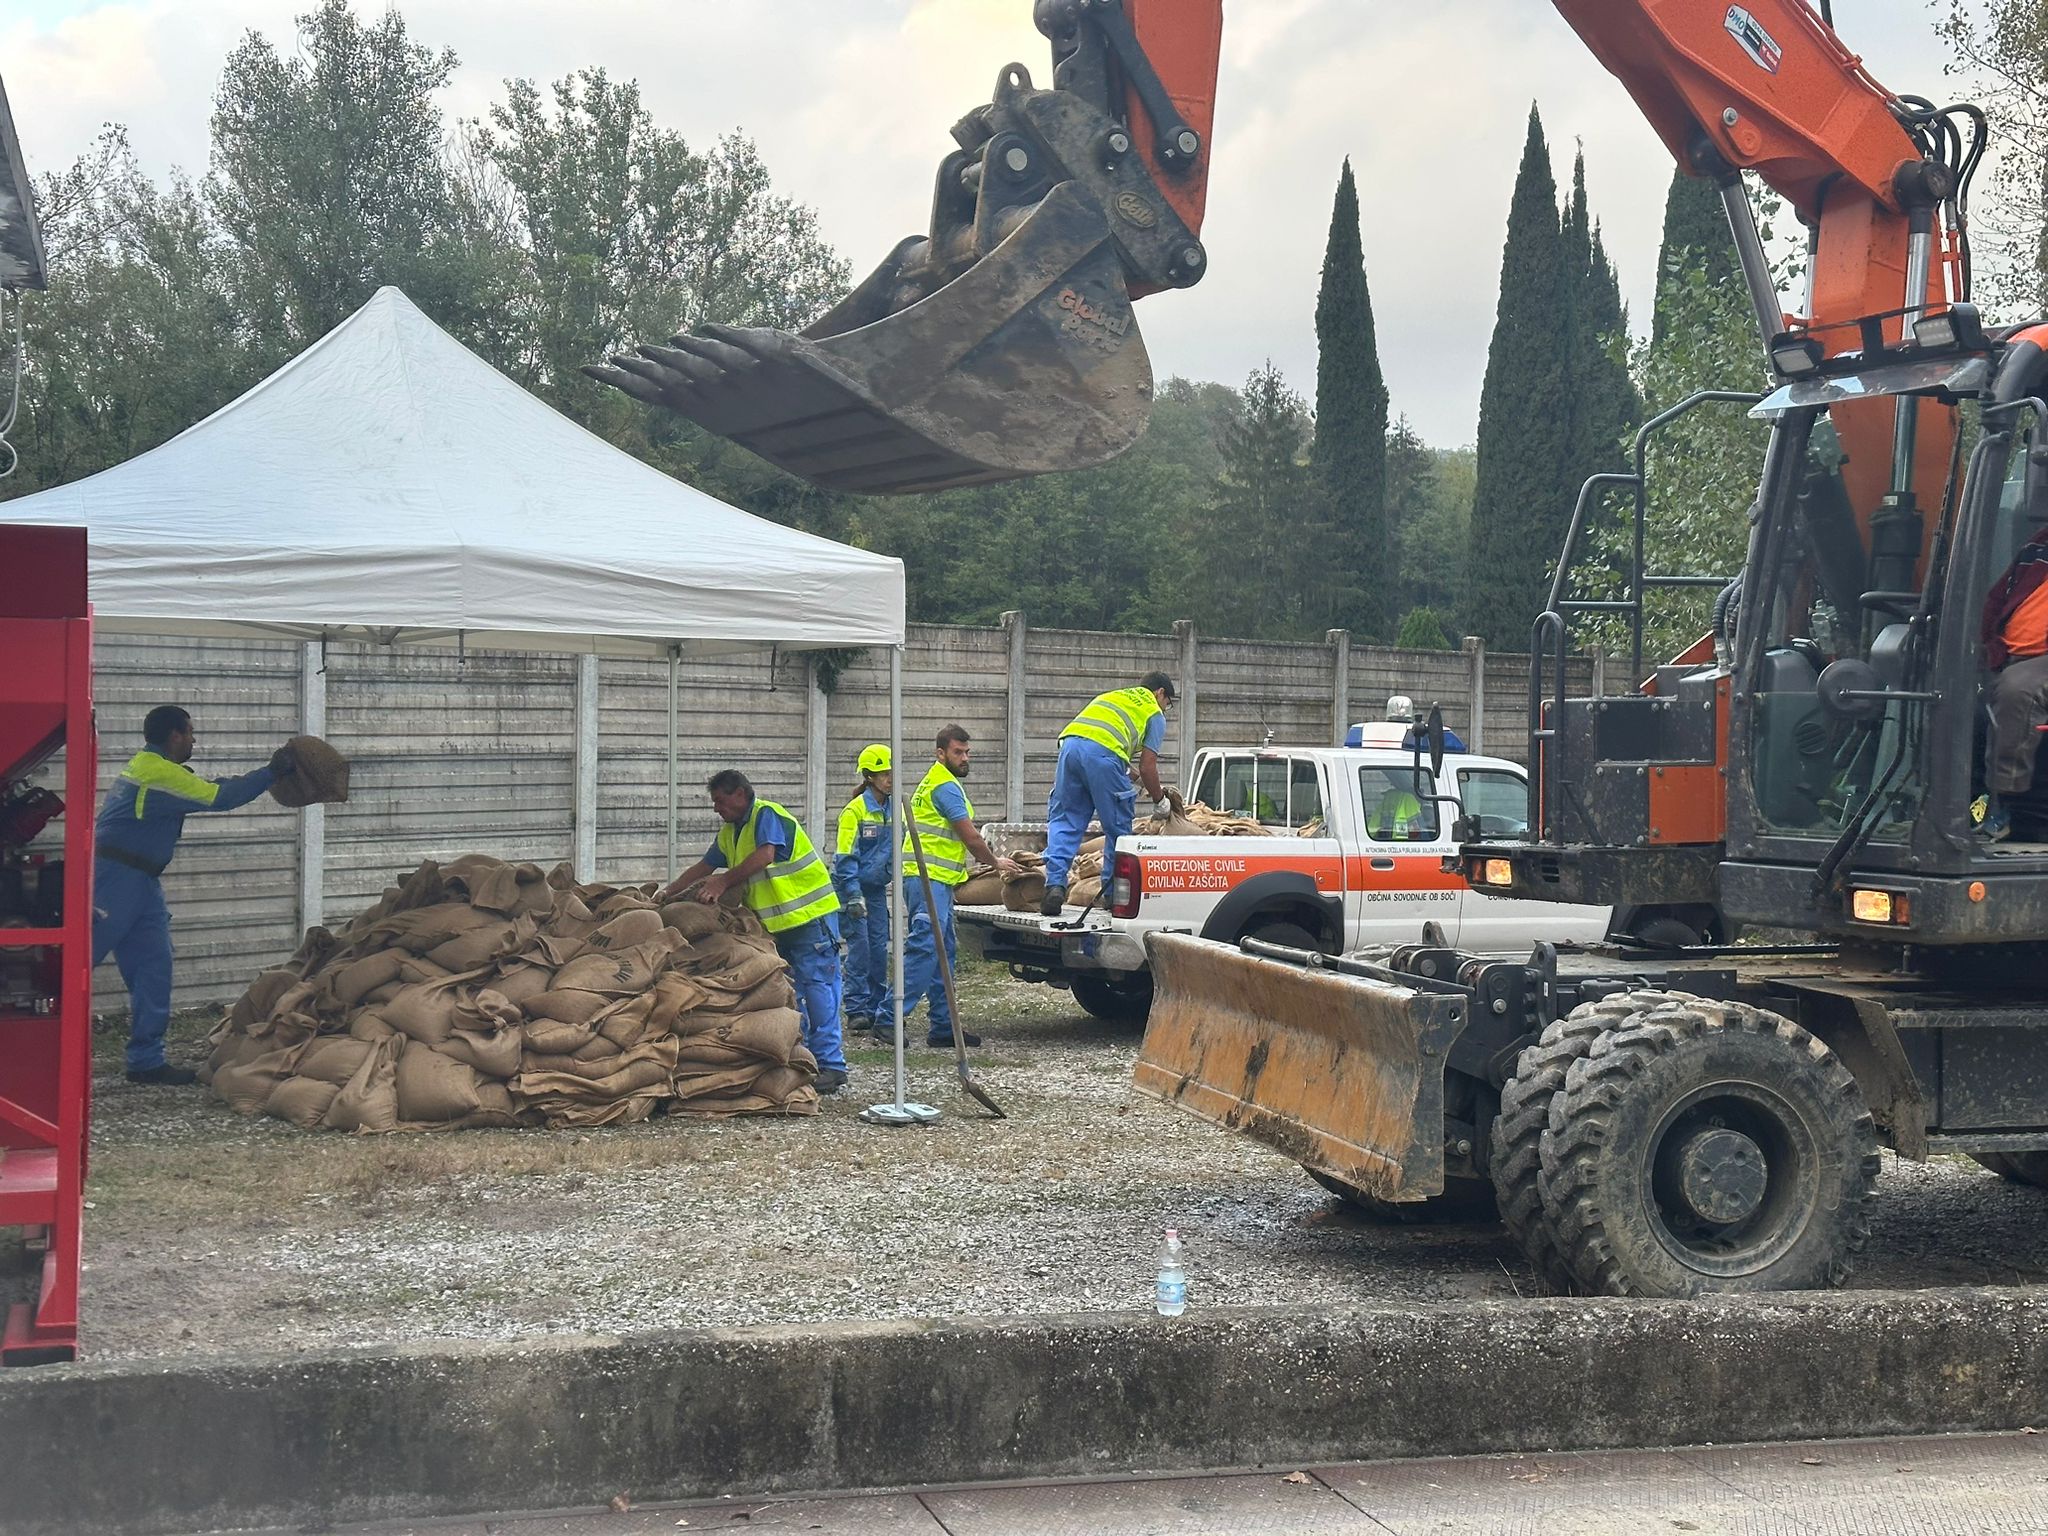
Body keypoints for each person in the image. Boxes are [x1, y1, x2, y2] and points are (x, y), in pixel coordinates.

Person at [93, 706, 294, 1085]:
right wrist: (270, 773)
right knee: (76, 965)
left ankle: (145, 1062)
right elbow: (219, 796)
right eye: (190, 733)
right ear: (174, 736)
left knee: (155, 966)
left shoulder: (154, 769)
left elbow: (208, 788)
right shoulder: (156, 773)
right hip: (113, 879)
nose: (193, 740)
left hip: (142, 882)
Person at [658, 770, 849, 1094]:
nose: (717, 808)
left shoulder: (766, 815)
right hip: (777, 927)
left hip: (809, 918)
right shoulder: (730, 833)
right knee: (791, 992)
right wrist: (666, 895)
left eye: (720, 800)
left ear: (741, 794)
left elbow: (766, 855)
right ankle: (803, 1057)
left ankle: (832, 1064)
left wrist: (722, 882)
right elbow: (703, 868)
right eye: (714, 802)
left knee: (818, 987)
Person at [899, 725, 1018, 1048]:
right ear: (941, 754)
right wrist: (995, 863)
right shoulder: (945, 787)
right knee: (927, 947)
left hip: (932, 880)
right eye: (958, 753)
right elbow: (970, 836)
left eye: (967, 752)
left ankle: (943, 1026)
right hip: (928, 879)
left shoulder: (935, 782)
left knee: (943, 953)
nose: (965, 758)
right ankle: (890, 1018)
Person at [1040, 673, 1176, 915]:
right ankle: (1112, 894)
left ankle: (1054, 887)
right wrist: (1159, 800)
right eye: (1168, 703)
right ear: (1160, 693)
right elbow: (1148, 765)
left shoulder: (1113, 697)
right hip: (1103, 756)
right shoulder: (1153, 712)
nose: (1166, 708)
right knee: (1118, 827)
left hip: (1070, 749)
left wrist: (1134, 778)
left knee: (1066, 820)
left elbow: (1102, 744)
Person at [1980, 528, 2048, 841]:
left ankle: (2005, 803)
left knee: (2018, 689)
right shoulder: (2038, 545)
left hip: (2036, 663)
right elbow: (1997, 598)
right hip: (2011, 654)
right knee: (1946, 685)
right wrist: (1987, 643)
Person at [833, 745, 895, 1038]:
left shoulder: (896, 808)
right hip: (851, 887)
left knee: (879, 948)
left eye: (891, 771)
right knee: (860, 948)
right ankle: (856, 1010)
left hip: (876, 889)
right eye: (884, 773)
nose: (890, 777)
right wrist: (853, 894)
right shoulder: (854, 811)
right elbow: (845, 856)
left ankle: (876, 1007)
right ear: (870, 776)